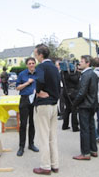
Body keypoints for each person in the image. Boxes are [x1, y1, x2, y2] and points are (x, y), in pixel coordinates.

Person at [30, 44, 62, 174]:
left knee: (43, 137)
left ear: (40, 54)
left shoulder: (41, 67)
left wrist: (38, 92)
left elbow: (39, 81)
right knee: (52, 137)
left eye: (35, 54)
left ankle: (45, 166)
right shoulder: (55, 68)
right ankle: (55, 164)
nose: (35, 56)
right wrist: (54, 96)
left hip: (43, 105)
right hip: (54, 105)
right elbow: (59, 85)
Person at [72, 56, 99, 160]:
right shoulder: (93, 74)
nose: (80, 63)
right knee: (91, 127)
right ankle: (93, 150)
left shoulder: (85, 74)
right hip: (92, 104)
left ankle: (85, 153)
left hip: (85, 105)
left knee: (84, 129)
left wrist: (74, 103)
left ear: (88, 63)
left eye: (82, 61)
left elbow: (82, 92)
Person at [15, 58, 40, 156]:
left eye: (33, 63)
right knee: (23, 124)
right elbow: (17, 87)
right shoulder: (22, 74)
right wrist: (27, 83)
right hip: (24, 99)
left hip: (35, 99)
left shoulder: (38, 73)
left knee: (32, 123)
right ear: (27, 65)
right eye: (29, 63)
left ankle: (31, 144)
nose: (31, 65)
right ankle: (21, 146)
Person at [61, 57, 82, 132]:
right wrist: (78, 73)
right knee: (74, 109)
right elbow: (76, 80)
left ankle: (65, 125)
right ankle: (75, 127)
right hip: (73, 92)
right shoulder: (73, 73)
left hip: (65, 92)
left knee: (67, 109)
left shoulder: (62, 72)